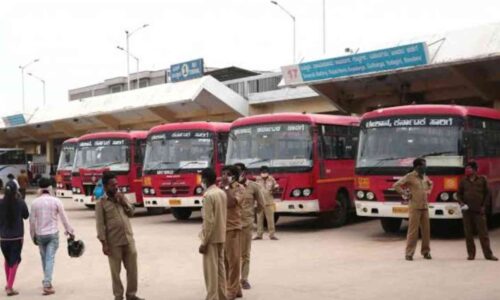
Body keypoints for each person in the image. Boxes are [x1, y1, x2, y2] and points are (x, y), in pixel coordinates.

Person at [95, 171, 144, 300]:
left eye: (116, 184)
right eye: (112, 185)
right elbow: (100, 225)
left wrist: (123, 202)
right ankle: (118, 296)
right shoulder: (100, 203)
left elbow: (132, 212)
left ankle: (131, 295)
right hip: (113, 242)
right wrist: (104, 244)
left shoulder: (122, 197)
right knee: (115, 272)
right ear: (105, 187)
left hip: (128, 239)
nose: (116, 187)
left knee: (132, 269)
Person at [30, 177, 75, 295]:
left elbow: (32, 221)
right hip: (52, 234)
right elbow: (64, 218)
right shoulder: (56, 201)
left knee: (44, 258)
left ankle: (46, 280)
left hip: (40, 235)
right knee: (50, 258)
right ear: (50, 188)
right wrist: (70, 231)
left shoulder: (35, 202)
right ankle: (47, 284)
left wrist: (32, 235)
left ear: (39, 188)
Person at [393, 158, 433, 261]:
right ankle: (409, 253)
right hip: (415, 207)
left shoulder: (424, 176)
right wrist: (405, 193)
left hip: (424, 207)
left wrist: (428, 191)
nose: (425, 167)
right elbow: (396, 185)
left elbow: (430, 183)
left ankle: (426, 252)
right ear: (418, 167)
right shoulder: (410, 176)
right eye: (424, 165)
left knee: (426, 231)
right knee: (413, 231)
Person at [457, 161, 498, 261]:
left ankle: (488, 254)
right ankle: (471, 254)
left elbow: (487, 194)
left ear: (475, 170)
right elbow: (459, 195)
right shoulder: (463, 181)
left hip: (479, 211)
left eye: (469, 168)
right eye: (466, 169)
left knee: (483, 234)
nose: (467, 170)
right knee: (468, 234)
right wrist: (461, 203)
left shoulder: (482, 180)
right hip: (467, 211)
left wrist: (484, 206)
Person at [234, 163, 264, 290]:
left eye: (239, 172)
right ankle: (232, 280)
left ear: (244, 173)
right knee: (232, 254)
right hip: (232, 225)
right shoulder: (229, 187)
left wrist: (251, 215)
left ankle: (244, 279)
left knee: (245, 253)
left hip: (246, 224)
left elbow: (261, 204)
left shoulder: (253, 186)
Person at [198, 168, 228, 300]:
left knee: (210, 272)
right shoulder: (221, 192)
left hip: (211, 238)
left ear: (204, 180)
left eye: (201, 179)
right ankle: (222, 296)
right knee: (220, 270)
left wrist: (204, 242)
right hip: (221, 235)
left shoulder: (208, 195)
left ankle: (212, 297)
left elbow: (209, 221)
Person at [0, 182, 29, 296]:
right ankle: (10, 287)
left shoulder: (0, 203)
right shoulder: (20, 202)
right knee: (15, 261)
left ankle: (8, 284)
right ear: (16, 190)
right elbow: (26, 216)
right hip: (17, 237)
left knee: (7, 260)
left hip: (3, 237)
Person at [220, 165, 244, 300]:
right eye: (223, 173)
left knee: (233, 261)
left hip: (233, 228)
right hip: (222, 227)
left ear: (234, 176)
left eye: (227, 174)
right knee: (225, 260)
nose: (224, 176)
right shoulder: (220, 187)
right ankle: (236, 288)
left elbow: (230, 203)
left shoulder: (239, 188)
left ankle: (232, 291)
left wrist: (227, 187)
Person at [255, 166, 279, 240]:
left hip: (269, 202)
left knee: (270, 220)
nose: (264, 173)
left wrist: (275, 189)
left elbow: (276, 188)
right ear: (260, 173)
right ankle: (259, 235)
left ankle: (272, 235)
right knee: (259, 220)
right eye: (262, 172)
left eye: (265, 172)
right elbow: (255, 189)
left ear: (268, 172)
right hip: (260, 203)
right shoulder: (257, 180)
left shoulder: (271, 179)